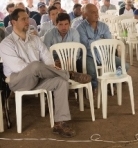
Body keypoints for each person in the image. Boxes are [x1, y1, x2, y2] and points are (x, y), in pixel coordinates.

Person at [0, 8, 91, 138]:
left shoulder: (35, 39)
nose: (28, 22)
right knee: (35, 65)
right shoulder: (6, 44)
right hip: (18, 81)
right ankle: (69, 74)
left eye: (27, 18)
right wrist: (41, 69)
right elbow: (18, 67)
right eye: (23, 19)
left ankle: (60, 123)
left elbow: (47, 57)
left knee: (61, 82)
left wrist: (46, 69)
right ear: (13, 22)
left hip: (38, 78)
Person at [77, 4, 129, 95]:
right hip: (89, 56)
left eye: (97, 11)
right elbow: (85, 44)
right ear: (86, 14)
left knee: (125, 66)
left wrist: (93, 41)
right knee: (91, 71)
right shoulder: (81, 28)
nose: (96, 14)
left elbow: (109, 43)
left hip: (104, 54)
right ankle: (95, 87)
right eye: (93, 12)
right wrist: (101, 41)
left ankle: (112, 82)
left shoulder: (104, 26)